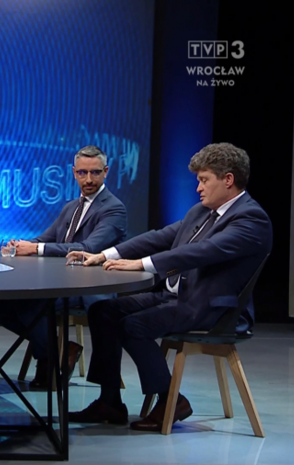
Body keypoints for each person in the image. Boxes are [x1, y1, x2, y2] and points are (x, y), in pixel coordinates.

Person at [68, 142, 272, 432]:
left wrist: (141, 264)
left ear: (228, 180)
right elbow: (159, 237)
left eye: (204, 180)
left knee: (133, 326)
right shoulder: (201, 211)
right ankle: (109, 400)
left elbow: (201, 252)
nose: (198, 188)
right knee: (103, 310)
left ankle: (171, 400)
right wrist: (105, 254)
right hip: (176, 296)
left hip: (212, 308)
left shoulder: (251, 219)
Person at [0, 145, 128, 389]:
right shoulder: (71, 207)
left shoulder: (113, 208)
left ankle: (48, 361)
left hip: (88, 286)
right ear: (74, 172)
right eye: (82, 173)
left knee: (31, 303)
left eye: (95, 172)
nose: (88, 179)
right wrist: (21, 245)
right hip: (60, 280)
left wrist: (36, 249)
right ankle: (58, 351)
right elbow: (46, 239)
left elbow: (87, 247)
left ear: (106, 172)